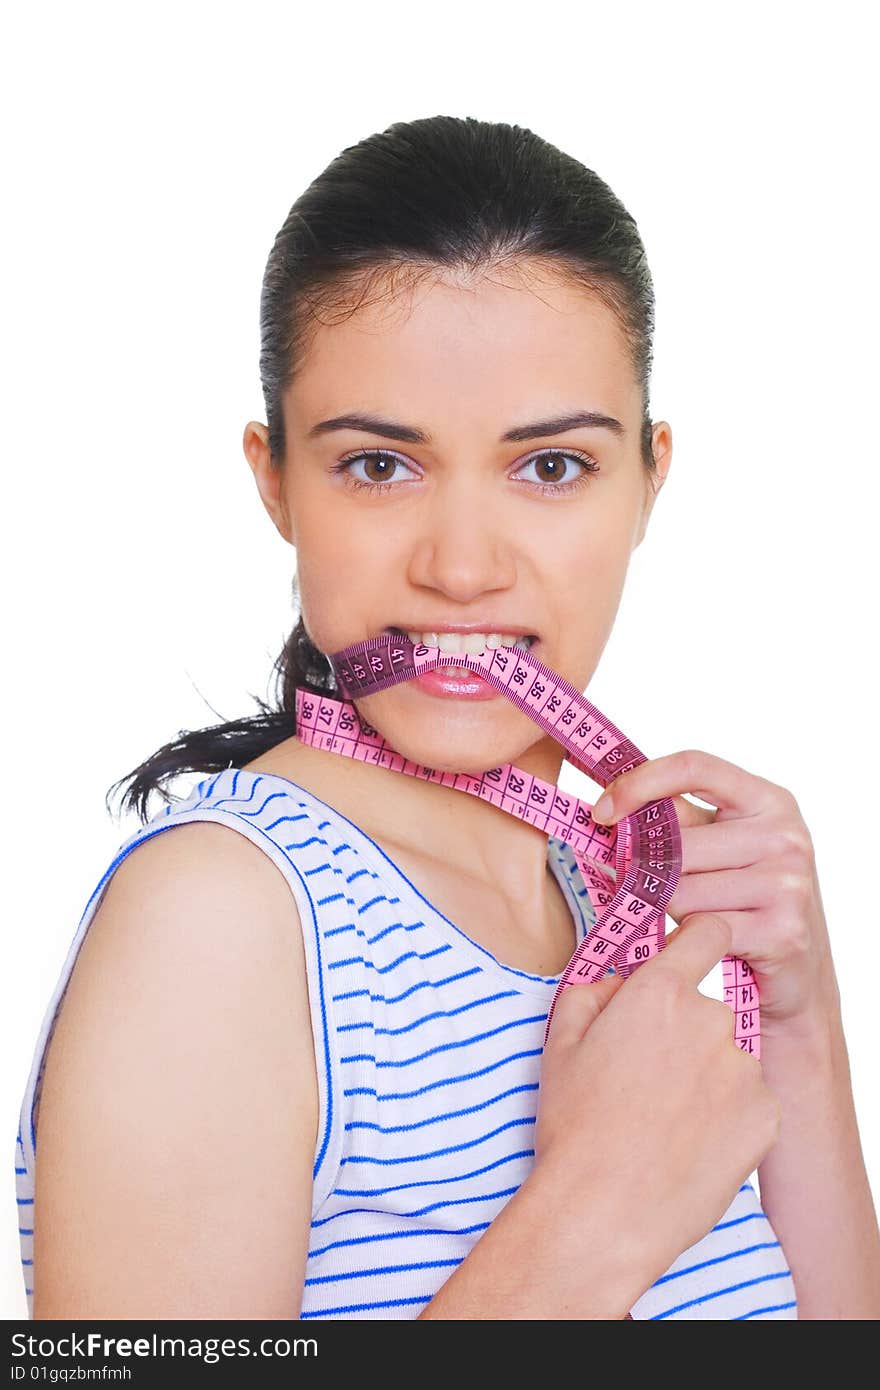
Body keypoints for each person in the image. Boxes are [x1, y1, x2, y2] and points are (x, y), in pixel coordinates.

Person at [15, 115, 880, 1321]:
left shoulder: (612, 900)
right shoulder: (221, 922)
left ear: (649, 479)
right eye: (379, 465)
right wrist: (595, 1212)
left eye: (551, 468)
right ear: (275, 483)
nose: (463, 568)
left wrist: (797, 1005)